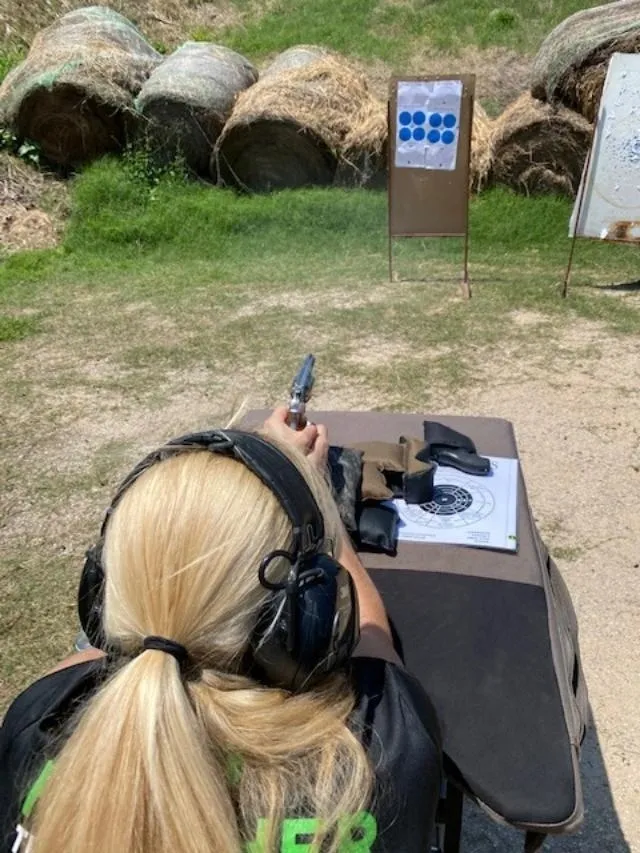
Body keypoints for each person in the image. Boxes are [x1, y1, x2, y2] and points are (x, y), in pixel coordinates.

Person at [0, 407, 442, 853]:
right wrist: (320, 498)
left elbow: (106, 649)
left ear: (101, 586)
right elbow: (374, 641)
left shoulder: (37, 722)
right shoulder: (382, 748)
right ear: (302, 613)